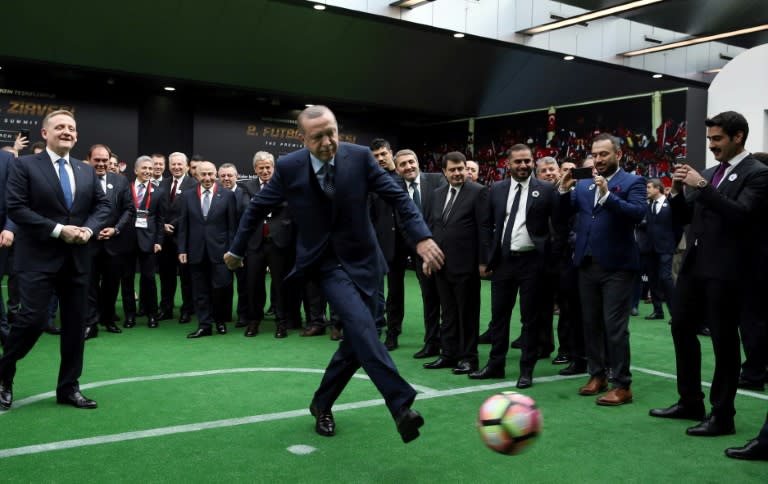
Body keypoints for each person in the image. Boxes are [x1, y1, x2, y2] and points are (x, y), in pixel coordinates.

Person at [224, 105, 444, 443]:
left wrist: (422, 237)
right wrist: (236, 250)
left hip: (366, 261)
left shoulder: (359, 158)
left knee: (359, 340)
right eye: (318, 137)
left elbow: (399, 197)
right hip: (325, 264)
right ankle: (400, 404)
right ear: (302, 138)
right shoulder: (289, 167)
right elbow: (256, 209)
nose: (329, 142)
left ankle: (321, 403)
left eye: (333, 132)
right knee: (359, 325)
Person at [650, 111, 768, 436]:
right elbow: (688, 217)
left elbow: (741, 215)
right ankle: (690, 401)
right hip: (695, 267)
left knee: (724, 341)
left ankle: (722, 415)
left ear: (738, 137)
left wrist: (701, 185)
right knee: (681, 328)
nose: (712, 145)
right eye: (710, 139)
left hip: (728, 272)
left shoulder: (758, 174)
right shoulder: (710, 173)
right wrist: (675, 193)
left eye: (717, 139)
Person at [0, 110, 110, 411]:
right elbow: (17, 208)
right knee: (32, 320)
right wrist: (60, 231)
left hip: (76, 260)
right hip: (37, 258)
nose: (67, 131)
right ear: (45, 133)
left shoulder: (86, 170)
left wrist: (88, 229)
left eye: (72, 128)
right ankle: (4, 373)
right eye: (60, 127)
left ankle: (69, 388)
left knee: (76, 327)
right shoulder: (23, 166)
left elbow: (102, 206)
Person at [559, 133, 646, 406]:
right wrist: (562, 190)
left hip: (618, 267)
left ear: (618, 155)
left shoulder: (633, 181)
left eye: (604, 154)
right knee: (590, 324)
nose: (598, 159)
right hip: (586, 264)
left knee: (615, 327)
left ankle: (623, 385)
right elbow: (564, 213)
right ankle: (597, 375)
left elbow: (638, 213)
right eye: (595, 154)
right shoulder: (583, 183)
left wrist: (608, 195)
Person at [470, 144, 563, 388]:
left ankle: (526, 370)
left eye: (527, 161)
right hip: (503, 262)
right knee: (499, 317)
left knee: (529, 319)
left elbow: (559, 228)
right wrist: (488, 255)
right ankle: (495, 365)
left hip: (534, 262)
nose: (523, 166)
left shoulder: (546, 189)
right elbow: (486, 225)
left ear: (533, 162)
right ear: (508, 164)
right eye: (518, 162)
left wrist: (550, 259)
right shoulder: (497, 189)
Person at [422, 152, 490, 376]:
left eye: (460, 168)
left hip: (467, 265)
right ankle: (448, 354)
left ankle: (469, 358)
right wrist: (429, 258)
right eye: (452, 169)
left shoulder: (478, 192)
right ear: (444, 172)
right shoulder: (437, 193)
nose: (458, 173)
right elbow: (434, 226)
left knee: (467, 313)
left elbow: (484, 228)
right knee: (448, 312)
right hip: (441, 264)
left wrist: (482, 262)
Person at [393, 149, 447, 359]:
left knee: (448, 300)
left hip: (443, 251)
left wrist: (433, 247)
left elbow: (442, 216)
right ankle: (431, 342)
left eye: (411, 162)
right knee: (429, 299)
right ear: (397, 169)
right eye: (403, 164)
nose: (408, 167)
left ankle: (451, 342)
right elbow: (403, 225)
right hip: (419, 255)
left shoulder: (437, 180)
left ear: (417, 162)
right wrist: (421, 250)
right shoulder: (396, 189)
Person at [179, 161, 237, 338]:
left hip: (220, 252)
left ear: (216, 175)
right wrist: (182, 249)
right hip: (196, 251)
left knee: (220, 289)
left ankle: (219, 321)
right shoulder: (187, 196)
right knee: (200, 291)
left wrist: (232, 251)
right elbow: (183, 225)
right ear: (196, 175)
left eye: (211, 174)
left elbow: (232, 227)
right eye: (203, 174)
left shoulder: (227, 196)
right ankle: (204, 325)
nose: (207, 178)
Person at [84, 144, 135, 339]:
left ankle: (107, 318)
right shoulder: (80, 179)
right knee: (89, 284)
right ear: (89, 160)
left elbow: (129, 209)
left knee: (112, 284)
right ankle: (91, 323)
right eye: (97, 160)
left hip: (114, 243)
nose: (101, 164)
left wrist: (116, 229)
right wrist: (90, 230)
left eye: (105, 160)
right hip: (89, 242)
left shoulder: (120, 181)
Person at [369, 138, 407, 350]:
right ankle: (383, 330)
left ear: (391, 153)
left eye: (383, 154)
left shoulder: (404, 178)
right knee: (381, 291)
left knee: (397, 292)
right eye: (375, 156)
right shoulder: (372, 181)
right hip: (380, 244)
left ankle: (394, 331)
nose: (380, 159)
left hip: (406, 243)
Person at [122, 156, 166, 329]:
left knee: (149, 279)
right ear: (136, 170)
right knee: (127, 279)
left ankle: (152, 315)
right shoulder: (125, 189)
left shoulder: (158, 192)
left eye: (150, 168)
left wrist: (159, 240)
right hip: (126, 241)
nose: (148, 171)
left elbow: (160, 219)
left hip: (149, 241)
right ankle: (130, 315)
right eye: (144, 168)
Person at [158, 152, 197, 323]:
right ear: (169, 166)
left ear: (187, 166)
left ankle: (187, 309)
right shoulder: (162, 184)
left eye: (180, 164)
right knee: (166, 276)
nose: (176, 167)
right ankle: (166, 308)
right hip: (164, 239)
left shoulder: (194, 184)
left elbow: (191, 213)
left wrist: (172, 225)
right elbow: (156, 210)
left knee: (186, 277)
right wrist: (162, 226)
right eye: (173, 164)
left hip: (184, 239)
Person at [640, 178, 682, 322]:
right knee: (653, 280)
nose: (647, 190)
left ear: (658, 189)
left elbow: (678, 228)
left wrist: (672, 244)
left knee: (666, 278)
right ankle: (658, 311)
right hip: (650, 248)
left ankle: (675, 313)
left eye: (649, 187)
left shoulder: (671, 203)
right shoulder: (648, 205)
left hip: (666, 248)